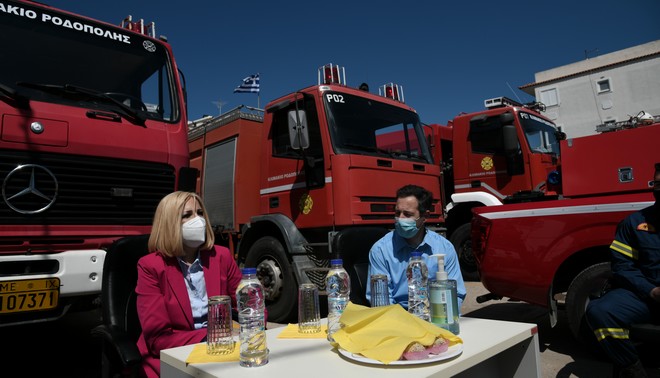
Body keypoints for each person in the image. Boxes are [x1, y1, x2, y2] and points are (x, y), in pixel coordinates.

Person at [135, 191, 243, 378]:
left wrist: (252, 328)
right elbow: (158, 339)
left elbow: (248, 304)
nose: (198, 220)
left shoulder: (222, 256)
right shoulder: (150, 266)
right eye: (187, 215)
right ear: (169, 223)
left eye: (200, 213)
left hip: (223, 351)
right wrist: (213, 336)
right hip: (175, 357)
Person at [585, 163, 660, 378]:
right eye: (657, 184)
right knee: (600, 311)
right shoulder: (634, 223)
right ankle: (632, 368)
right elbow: (623, 266)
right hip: (644, 296)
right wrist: (651, 291)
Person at [366, 184, 466, 309]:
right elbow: (381, 301)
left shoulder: (444, 248)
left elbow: (456, 294)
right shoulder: (380, 250)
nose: (400, 218)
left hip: (437, 316)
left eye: (407, 214)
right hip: (397, 319)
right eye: (397, 212)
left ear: (425, 217)